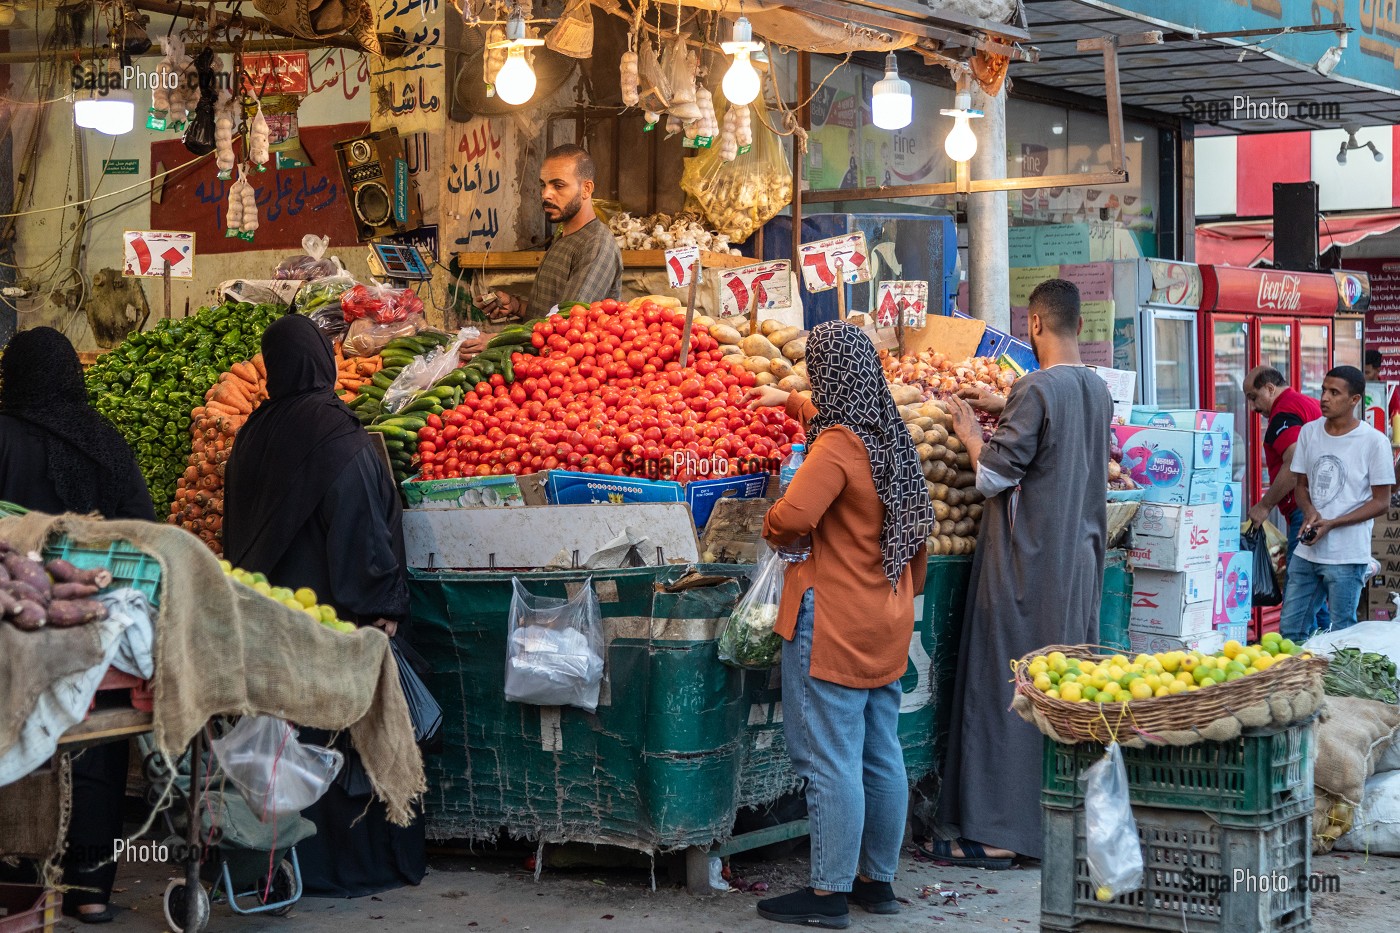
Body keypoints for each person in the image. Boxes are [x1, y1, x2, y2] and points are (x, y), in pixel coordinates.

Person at [223, 314, 426, 898]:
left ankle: (282, 863)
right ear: (324, 362)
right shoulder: (338, 435)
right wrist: (382, 604)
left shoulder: (251, 435)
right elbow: (361, 529)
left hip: (270, 624)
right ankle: (349, 866)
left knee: (286, 744)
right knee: (341, 746)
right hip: (336, 620)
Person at [745, 321, 934, 929]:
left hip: (835, 620)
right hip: (888, 616)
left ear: (828, 377)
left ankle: (827, 895)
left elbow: (795, 516)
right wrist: (793, 405)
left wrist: (771, 518)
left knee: (828, 758)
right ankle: (875, 883)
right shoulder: (891, 437)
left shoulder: (838, 446)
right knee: (881, 754)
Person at [934, 278, 1111, 865]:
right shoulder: (1095, 387)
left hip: (1025, 567)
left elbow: (994, 477)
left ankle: (998, 836)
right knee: (1062, 697)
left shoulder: (1035, 387)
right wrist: (1003, 408)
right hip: (1077, 566)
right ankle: (1049, 826)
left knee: (1010, 692)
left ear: (1034, 326)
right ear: (1077, 325)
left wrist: (968, 433)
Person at [0, 327, 156, 924]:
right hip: (97, 624)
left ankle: (19, 877)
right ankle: (90, 891)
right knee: (96, 749)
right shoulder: (104, 442)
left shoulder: (4, 438)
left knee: (18, 739)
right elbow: (144, 534)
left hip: (18, 629)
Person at [1280, 366, 1395, 642]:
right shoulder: (1309, 432)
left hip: (1347, 555)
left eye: (1334, 392)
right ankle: (1297, 683)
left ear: (1354, 400)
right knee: (1290, 632)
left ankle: (1337, 686)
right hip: (1308, 552)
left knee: (1342, 635)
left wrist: (1332, 523)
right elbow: (1301, 486)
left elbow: (1381, 502)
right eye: (1323, 390)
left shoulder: (1374, 442)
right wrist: (1309, 512)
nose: (1324, 398)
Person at [488, 144, 622, 320]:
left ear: (586, 189)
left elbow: (567, 324)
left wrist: (493, 339)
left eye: (558, 186)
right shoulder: (565, 237)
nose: (546, 194)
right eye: (543, 185)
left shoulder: (596, 244)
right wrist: (517, 306)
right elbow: (551, 314)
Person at [1244, 366, 1327, 628]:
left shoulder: (1284, 413)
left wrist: (1264, 505)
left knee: (1300, 595)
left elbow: (1294, 463)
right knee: (1317, 593)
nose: (1252, 407)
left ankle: (1305, 658)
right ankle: (1329, 655)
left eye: (1253, 397)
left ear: (1270, 388)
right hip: (1322, 509)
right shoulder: (1307, 404)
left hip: (1305, 512)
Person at [1364, 349, 1400, 427]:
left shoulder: (1389, 388)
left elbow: (1396, 413)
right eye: (1361, 372)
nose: (1363, 376)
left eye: (1367, 373)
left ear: (1378, 370)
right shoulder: (1356, 385)